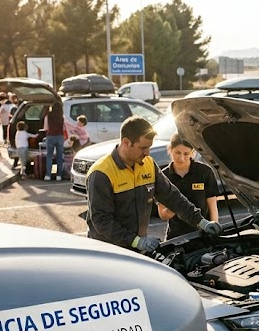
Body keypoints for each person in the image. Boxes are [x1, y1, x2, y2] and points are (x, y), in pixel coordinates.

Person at [86, 115, 222, 253]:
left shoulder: (148, 164)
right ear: (126, 142)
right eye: (143, 147)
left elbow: (172, 197)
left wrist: (201, 222)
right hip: (107, 251)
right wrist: (136, 241)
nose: (147, 152)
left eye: (149, 147)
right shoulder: (101, 173)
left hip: (137, 248)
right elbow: (102, 221)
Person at [156, 133, 220, 240]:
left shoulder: (204, 172)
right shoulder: (163, 176)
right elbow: (163, 214)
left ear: (193, 153)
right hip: (176, 237)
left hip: (203, 233)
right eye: (177, 153)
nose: (181, 158)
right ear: (170, 150)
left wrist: (214, 231)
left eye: (186, 154)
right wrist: (177, 205)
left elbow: (213, 207)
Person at [42, 101, 66, 181]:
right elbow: (64, 128)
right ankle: (59, 175)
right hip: (60, 136)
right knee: (59, 156)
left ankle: (48, 175)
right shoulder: (62, 116)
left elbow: (46, 128)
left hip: (50, 136)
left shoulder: (48, 116)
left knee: (49, 156)